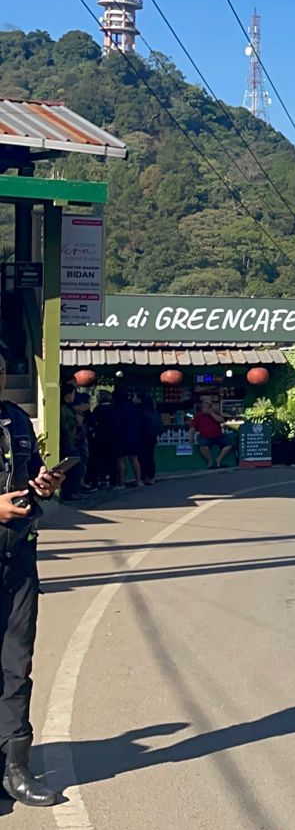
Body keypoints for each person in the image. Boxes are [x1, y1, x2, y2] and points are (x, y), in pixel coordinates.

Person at [0, 342, 64, 806]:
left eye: (1, 370)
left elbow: (29, 471)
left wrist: (43, 479)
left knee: (17, 664)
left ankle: (15, 767)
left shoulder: (17, 419)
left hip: (18, 558)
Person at [190, 404, 232, 470]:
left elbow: (221, 420)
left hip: (218, 435)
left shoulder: (215, 413)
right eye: (203, 407)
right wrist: (191, 438)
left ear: (210, 408)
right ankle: (210, 462)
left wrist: (211, 413)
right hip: (205, 436)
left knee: (230, 443)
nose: (204, 409)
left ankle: (218, 459)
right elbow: (192, 428)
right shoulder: (199, 416)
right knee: (203, 446)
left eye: (206, 407)